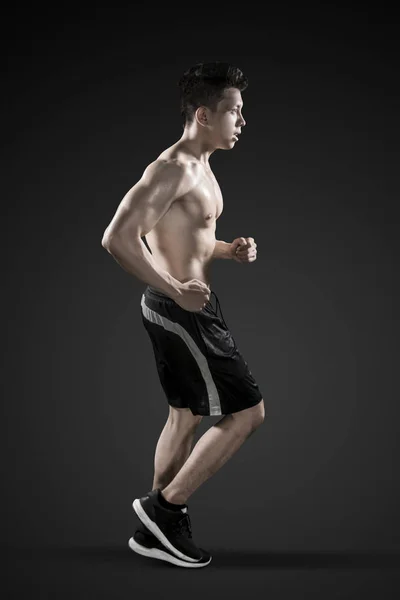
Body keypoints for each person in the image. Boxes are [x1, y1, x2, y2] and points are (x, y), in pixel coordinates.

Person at [101, 61, 265, 568]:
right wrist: (175, 287)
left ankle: (155, 530)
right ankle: (166, 510)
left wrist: (226, 250)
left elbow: (182, 239)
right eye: (233, 112)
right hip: (180, 309)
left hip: (185, 305)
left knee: (185, 414)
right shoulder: (171, 168)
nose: (242, 121)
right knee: (247, 413)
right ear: (203, 114)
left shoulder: (202, 166)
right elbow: (118, 239)